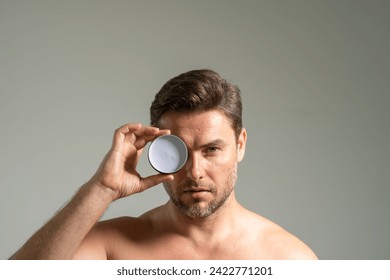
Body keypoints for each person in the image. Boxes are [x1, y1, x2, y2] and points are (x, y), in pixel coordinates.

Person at [10, 69, 317, 260]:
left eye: (211, 150)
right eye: (179, 152)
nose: (195, 171)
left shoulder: (287, 259)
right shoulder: (116, 248)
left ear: (239, 145)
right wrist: (101, 189)